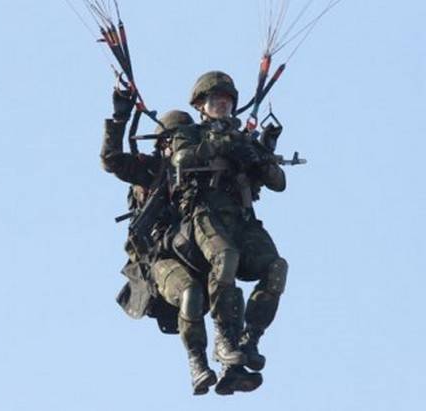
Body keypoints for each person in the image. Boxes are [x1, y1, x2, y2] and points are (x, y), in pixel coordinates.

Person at [169, 71, 289, 394]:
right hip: (205, 216)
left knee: (275, 268)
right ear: (201, 106)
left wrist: (259, 157)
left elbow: (278, 182)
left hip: (242, 220)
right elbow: (180, 159)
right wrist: (216, 145)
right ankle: (225, 338)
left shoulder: (243, 139)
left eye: (227, 101)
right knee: (225, 258)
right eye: (215, 101)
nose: (222, 105)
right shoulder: (189, 134)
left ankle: (250, 340)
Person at [100, 88, 217, 395]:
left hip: (195, 254)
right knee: (190, 293)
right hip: (158, 260)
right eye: (173, 140)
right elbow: (111, 160)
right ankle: (198, 363)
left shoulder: (202, 173)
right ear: (163, 144)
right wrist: (120, 117)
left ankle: (232, 348)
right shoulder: (149, 171)